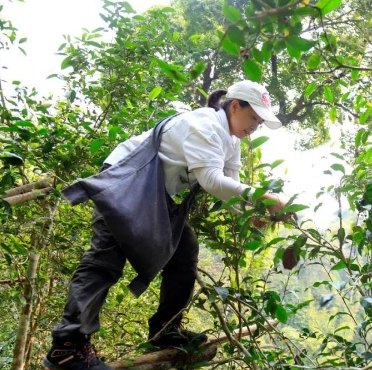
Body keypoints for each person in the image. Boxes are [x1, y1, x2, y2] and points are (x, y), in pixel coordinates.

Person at [43, 80, 295, 370]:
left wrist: (254, 213)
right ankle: (67, 348)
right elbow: (211, 181)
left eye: (260, 123)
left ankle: (165, 332)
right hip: (126, 179)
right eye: (253, 118)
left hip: (154, 193)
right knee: (105, 260)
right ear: (235, 105)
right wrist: (265, 197)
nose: (255, 127)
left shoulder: (232, 140)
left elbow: (232, 189)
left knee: (184, 250)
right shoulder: (204, 125)